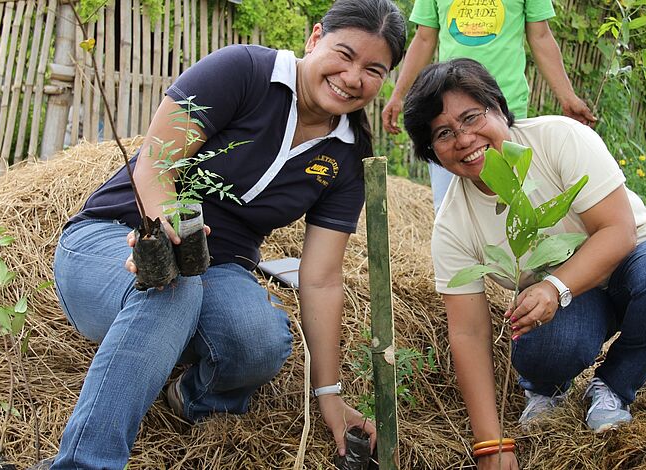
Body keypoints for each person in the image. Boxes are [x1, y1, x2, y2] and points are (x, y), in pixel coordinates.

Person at [45, 1, 406, 468]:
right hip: (116, 237)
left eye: (373, 69)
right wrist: (164, 234)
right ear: (315, 38)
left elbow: (320, 279)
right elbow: (156, 166)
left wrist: (330, 394)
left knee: (258, 340)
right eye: (344, 53)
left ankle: (192, 397)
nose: (353, 77)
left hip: (221, 267)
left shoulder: (346, 158)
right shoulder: (244, 72)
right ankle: (83, 462)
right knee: (173, 284)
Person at [402, 58, 646, 470]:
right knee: (548, 349)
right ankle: (547, 390)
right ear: (433, 153)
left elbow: (617, 232)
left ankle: (615, 385)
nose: (464, 138)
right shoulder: (452, 225)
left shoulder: (558, 138)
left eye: (471, 117)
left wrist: (554, 287)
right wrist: (491, 445)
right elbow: (469, 330)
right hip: (569, 306)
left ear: (498, 108)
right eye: (444, 134)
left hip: (635, 263)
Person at [381, 0, 597, 213]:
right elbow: (424, 38)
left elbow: (540, 36)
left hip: (504, 114)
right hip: (448, 118)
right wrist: (399, 95)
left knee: (514, 206)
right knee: (450, 210)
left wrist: (567, 97)